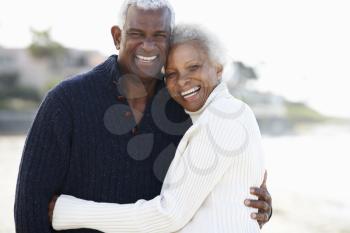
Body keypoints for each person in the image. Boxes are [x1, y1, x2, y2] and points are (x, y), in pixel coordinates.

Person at [14, 1, 271, 232]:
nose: (148, 46)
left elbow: (187, 204)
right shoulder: (66, 101)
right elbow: (30, 207)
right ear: (117, 36)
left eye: (160, 35)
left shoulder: (182, 106)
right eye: (137, 34)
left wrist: (249, 204)